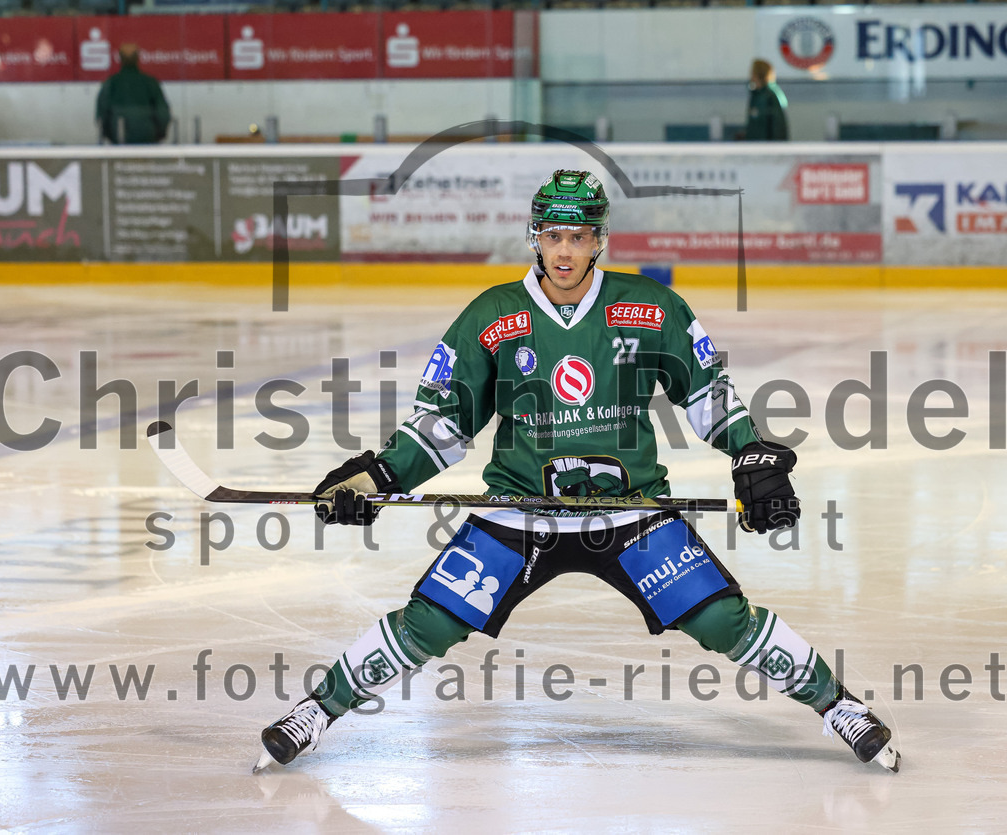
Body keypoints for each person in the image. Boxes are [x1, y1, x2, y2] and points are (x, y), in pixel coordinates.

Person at [255, 169, 900, 774]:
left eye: (579, 236)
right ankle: (318, 710)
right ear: (535, 237)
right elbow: (443, 426)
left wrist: (753, 456)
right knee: (429, 623)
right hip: (521, 510)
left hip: (630, 511)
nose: (565, 251)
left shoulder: (651, 308)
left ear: (600, 240)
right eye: (553, 235)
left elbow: (710, 399)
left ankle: (838, 706)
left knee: (722, 621)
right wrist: (376, 479)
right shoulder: (491, 317)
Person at [95, 44, 171, 145]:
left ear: (120, 58)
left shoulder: (111, 83)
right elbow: (163, 113)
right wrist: (158, 135)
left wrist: (109, 134)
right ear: (137, 58)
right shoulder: (150, 82)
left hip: (118, 138)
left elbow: (101, 115)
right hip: (148, 138)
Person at [745, 59, 789, 141]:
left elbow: (777, 127)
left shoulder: (769, 96)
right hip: (757, 148)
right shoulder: (757, 94)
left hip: (766, 149)